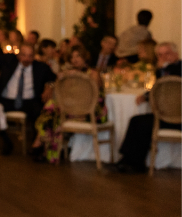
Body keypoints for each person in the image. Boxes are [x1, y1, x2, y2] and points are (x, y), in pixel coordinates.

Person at [116, 42, 182, 173]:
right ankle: (128, 160)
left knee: (142, 123)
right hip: (165, 115)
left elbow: (170, 85)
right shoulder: (163, 70)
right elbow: (158, 88)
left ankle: (134, 163)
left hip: (178, 117)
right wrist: (146, 95)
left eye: (167, 53)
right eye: (160, 55)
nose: (164, 58)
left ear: (176, 54)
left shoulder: (176, 69)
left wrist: (162, 69)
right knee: (136, 121)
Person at [0, 43, 57, 155]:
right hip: (6, 100)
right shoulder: (9, 60)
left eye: (30, 56)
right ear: (18, 55)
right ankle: (6, 140)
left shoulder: (40, 67)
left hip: (29, 101)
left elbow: (53, 77)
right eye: (24, 55)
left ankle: (36, 146)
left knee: (40, 112)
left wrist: (49, 86)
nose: (27, 59)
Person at [33, 45, 106, 163]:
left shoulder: (93, 73)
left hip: (92, 110)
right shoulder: (67, 73)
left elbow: (95, 95)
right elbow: (62, 94)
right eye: (72, 57)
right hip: (73, 108)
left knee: (53, 112)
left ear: (84, 57)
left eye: (78, 56)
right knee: (52, 108)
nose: (75, 59)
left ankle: (41, 145)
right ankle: (47, 149)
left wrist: (76, 76)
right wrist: (61, 79)